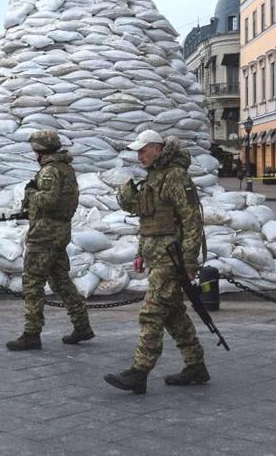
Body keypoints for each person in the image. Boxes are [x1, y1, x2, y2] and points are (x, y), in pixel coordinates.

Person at [104, 130, 208, 394]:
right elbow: (149, 220)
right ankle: (195, 365)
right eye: (138, 151)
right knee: (173, 315)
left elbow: (191, 220)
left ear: (158, 149)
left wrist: (188, 261)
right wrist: (141, 252)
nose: (139, 156)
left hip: (172, 260)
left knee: (151, 313)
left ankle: (139, 372)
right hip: (157, 255)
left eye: (143, 150)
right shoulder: (154, 177)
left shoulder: (175, 176)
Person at [6, 129, 94, 351]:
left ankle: (31, 333)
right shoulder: (66, 169)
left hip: (44, 235)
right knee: (60, 281)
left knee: (33, 282)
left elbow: (48, 200)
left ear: (40, 150)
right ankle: (82, 326)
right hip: (60, 231)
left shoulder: (49, 171)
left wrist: (30, 194)